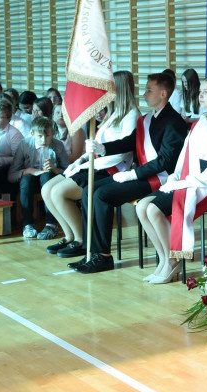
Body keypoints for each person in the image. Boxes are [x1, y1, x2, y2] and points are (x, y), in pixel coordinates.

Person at [69, 72, 187, 274]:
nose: (144, 94)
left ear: (163, 93)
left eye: (149, 90)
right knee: (89, 190)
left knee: (102, 195)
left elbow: (165, 161)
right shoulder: (147, 119)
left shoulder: (173, 122)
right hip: (143, 175)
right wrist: (102, 148)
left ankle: (104, 256)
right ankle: (93, 251)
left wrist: (133, 175)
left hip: (160, 179)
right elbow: (130, 142)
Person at [136, 76, 207, 284]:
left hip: (205, 184)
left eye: (206, 92)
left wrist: (185, 183)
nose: (200, 95)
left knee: (153, 209)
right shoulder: (199, 123)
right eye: (200, 91)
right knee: (141, 207)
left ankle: (173, 262)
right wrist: (175, 176)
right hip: (186, 179)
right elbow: (185, 154)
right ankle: (164, 259)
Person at [40, 71, 141, 258]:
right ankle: (69, 235)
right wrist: (79, 161)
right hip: (93, 165)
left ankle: (80, 239)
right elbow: (94, 147)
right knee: (47, 190)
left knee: (58, 193)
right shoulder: (113, 114)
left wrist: (87, 165)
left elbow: (122, 152)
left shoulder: (131, 115)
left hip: (108, 170)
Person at [10, 116, 68, 239]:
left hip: (50, 180)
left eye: (47, 136)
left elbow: (68, 173)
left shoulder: (58, 145)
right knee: (27, 179)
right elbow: (11, 175)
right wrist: (27, 170)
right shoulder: (24, 144)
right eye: (40, 136)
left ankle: (51, 224)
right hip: (31, 181)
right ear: (32, 133)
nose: (44, 140)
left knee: (46, 176)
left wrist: (54, 169)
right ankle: (28, 224)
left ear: (52, 133)